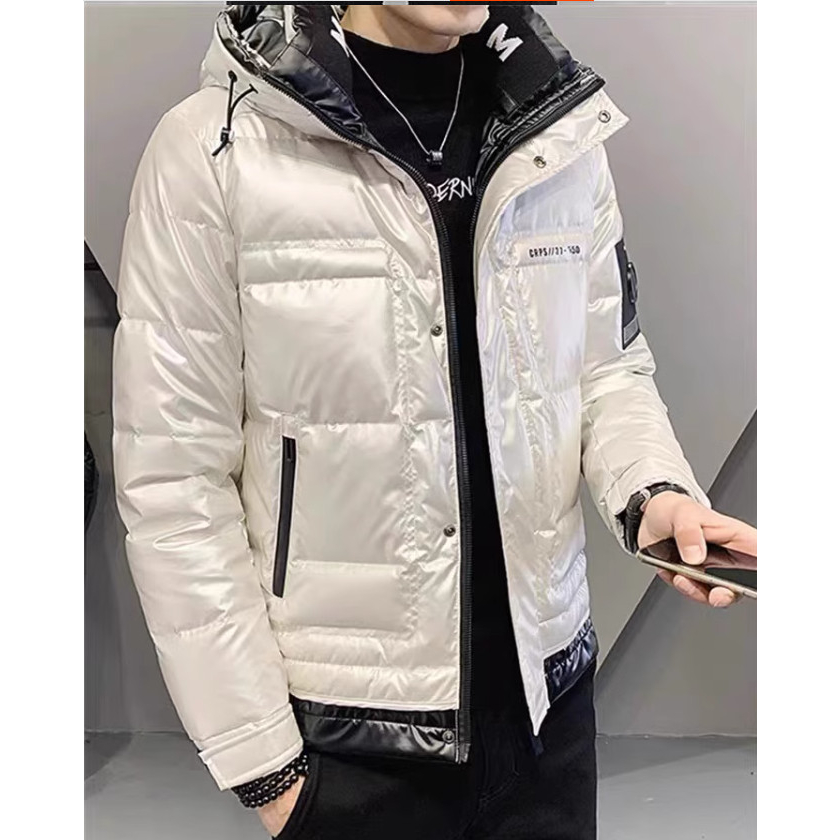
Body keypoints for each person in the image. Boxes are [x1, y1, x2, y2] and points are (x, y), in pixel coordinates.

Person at [112, 4, 758, 838]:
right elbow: (174, 479)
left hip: (546, 714)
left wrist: (654, 495)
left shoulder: (557, 128)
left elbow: (603, 370)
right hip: (351, 741)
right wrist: (267, 768)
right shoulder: (217, 148)